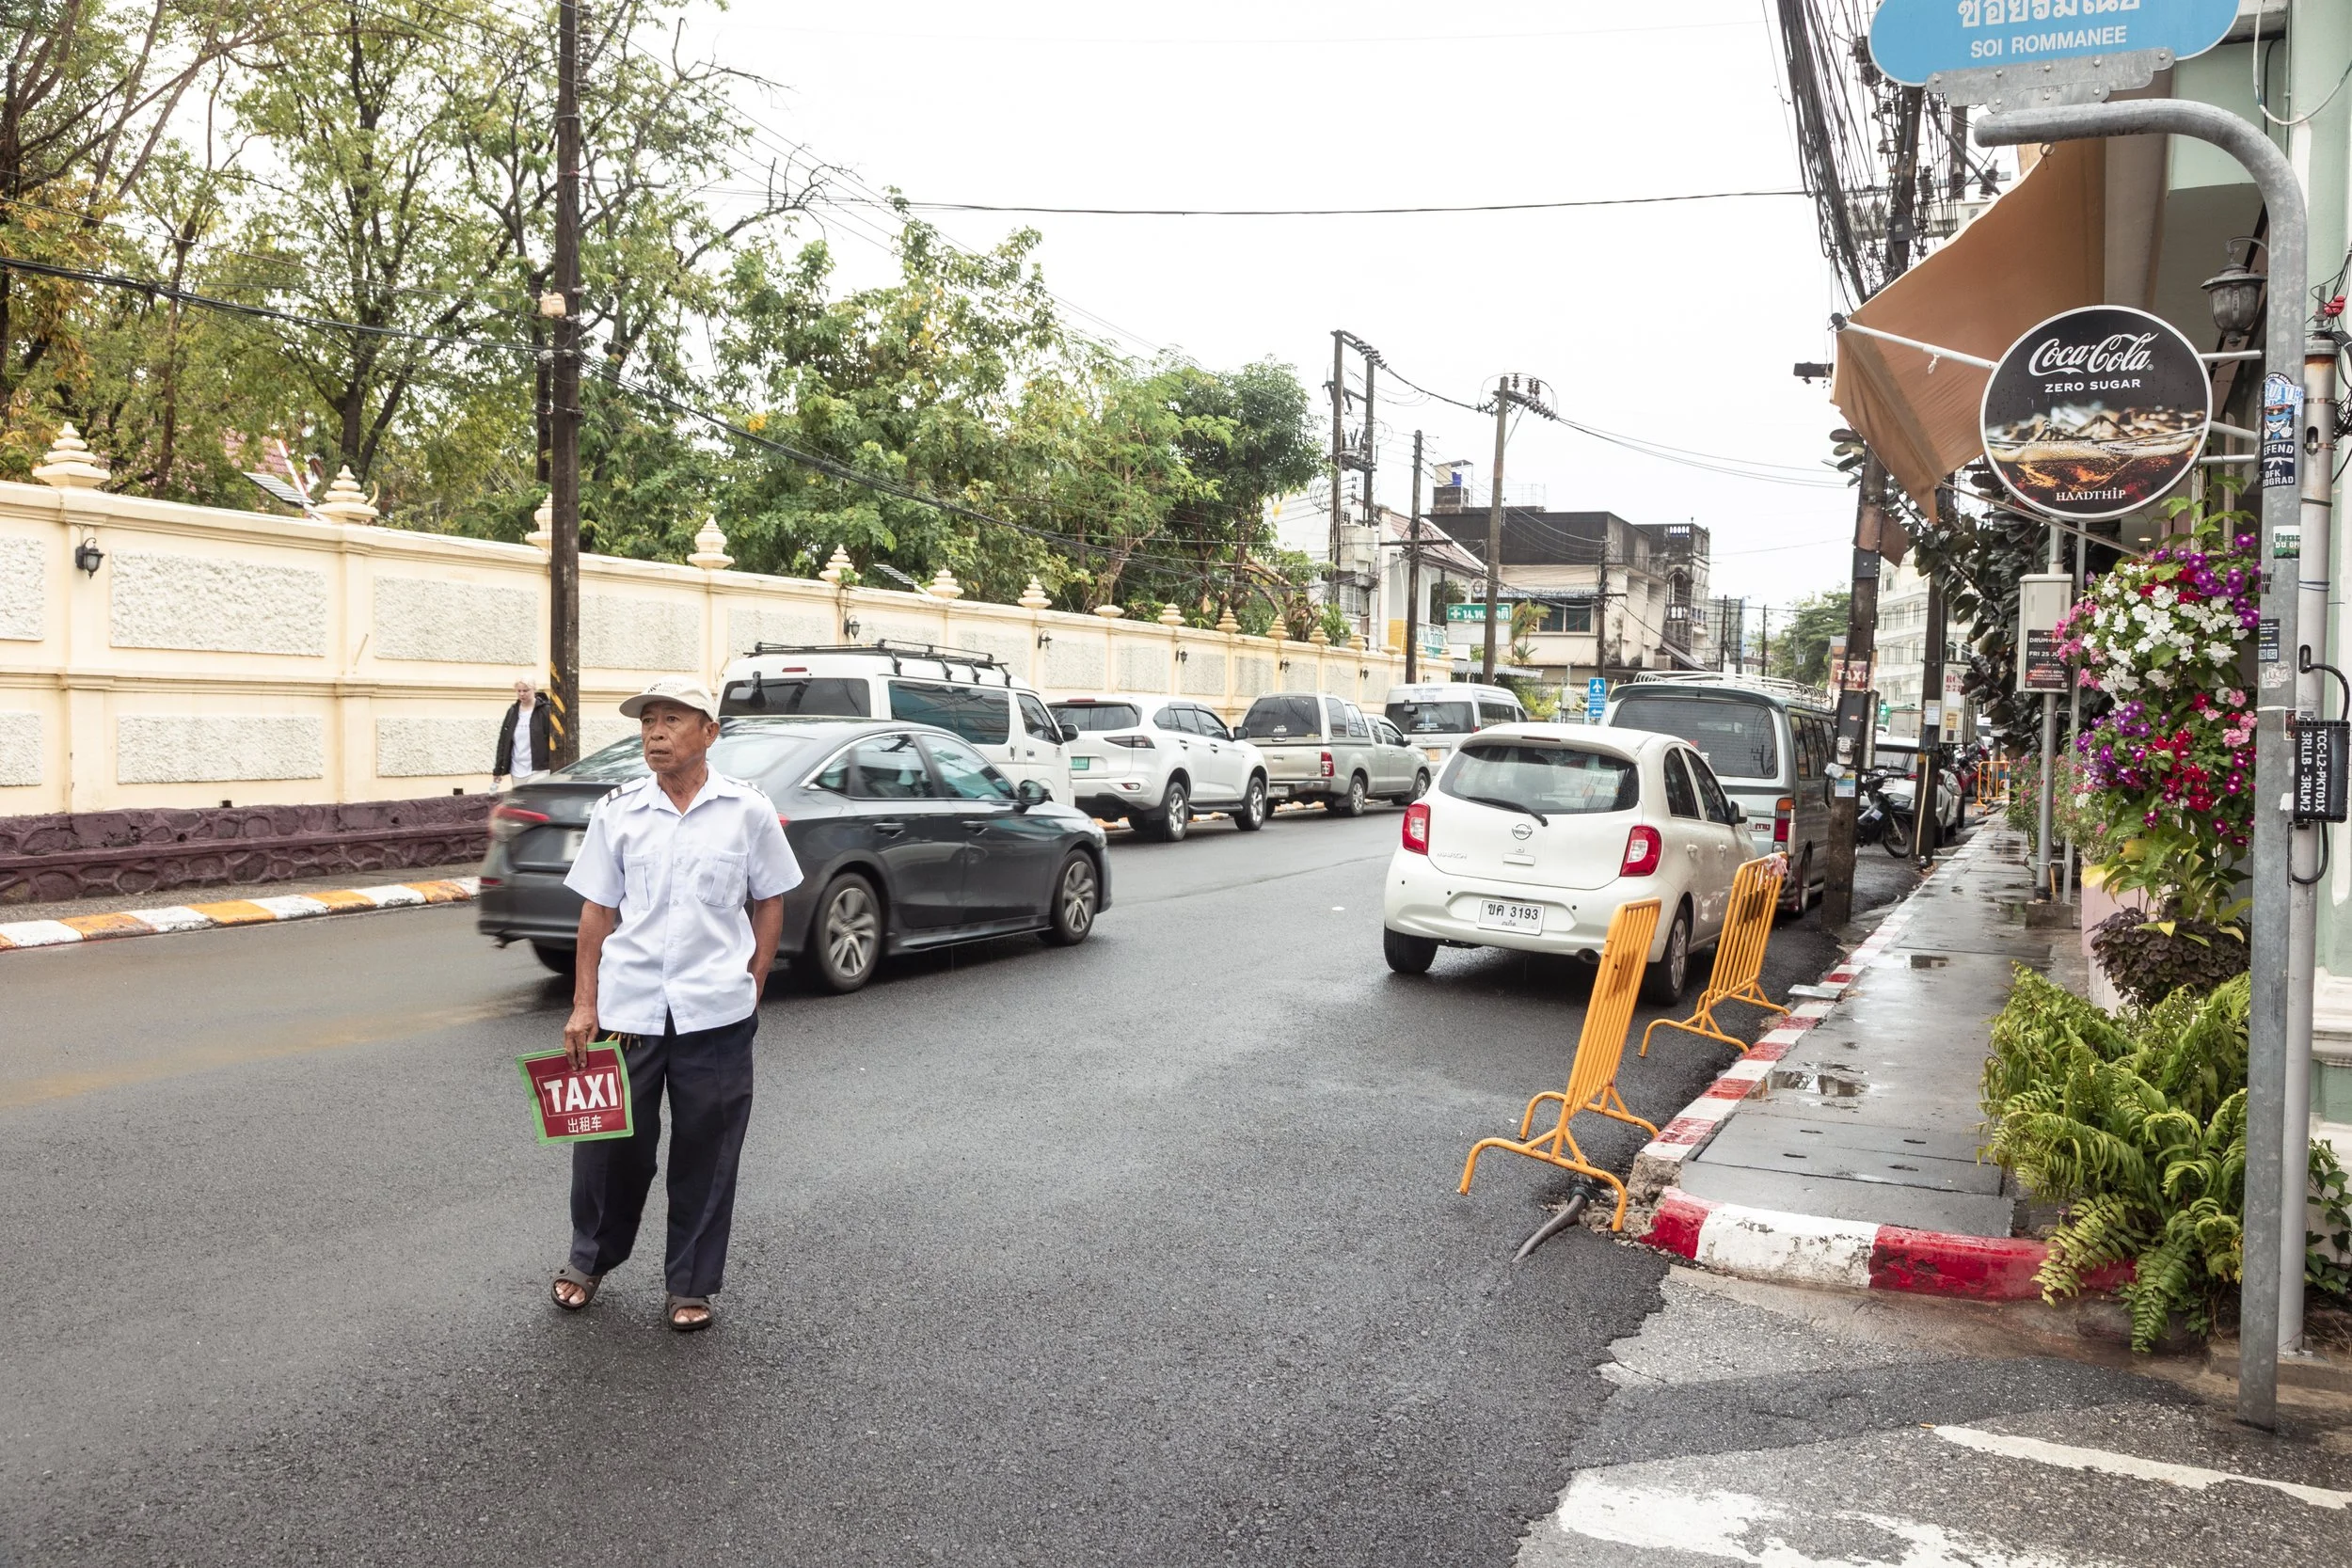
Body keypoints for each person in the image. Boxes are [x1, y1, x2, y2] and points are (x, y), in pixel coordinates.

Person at [548, 678, 801, 1331]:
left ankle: (690, 1282)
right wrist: (583, 1003)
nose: (655, 732)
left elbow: (770, 898)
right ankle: (589, 1257)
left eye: (672, 720)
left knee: (708, 1149)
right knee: (608, 1147)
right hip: (627, 1008)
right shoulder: (619, 809)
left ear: (709, 733)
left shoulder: (747, 810)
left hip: (715, 1011)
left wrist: (754, 981)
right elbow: (597, 910)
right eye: (648, 721)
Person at [493, 678, 556, 785]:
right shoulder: (512, 711)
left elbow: (554, 739)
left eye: (525, 690)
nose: (522, 694)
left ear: (534, 690)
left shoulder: (545, 710)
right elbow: (504, 741)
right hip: (517, 769)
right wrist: (498, 770)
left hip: (539, 769)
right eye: (519, 691)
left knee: (535, 800)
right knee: (521, 801)